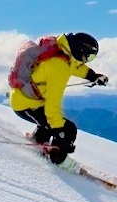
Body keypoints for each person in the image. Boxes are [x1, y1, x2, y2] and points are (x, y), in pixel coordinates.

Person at [9, 32, 108, 166]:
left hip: (27, 97)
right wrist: (60, 133)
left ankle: (37, 141)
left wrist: (92, 76)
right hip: (25, 104)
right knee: (67, 129)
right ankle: (57, 160)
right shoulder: (59, 68)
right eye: (88, 57)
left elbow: (74, 66)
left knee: (51, 124)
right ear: (80, 50)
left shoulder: (62, 51)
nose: (86, 60)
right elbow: (52, 106)